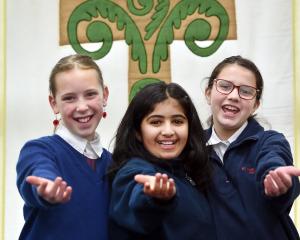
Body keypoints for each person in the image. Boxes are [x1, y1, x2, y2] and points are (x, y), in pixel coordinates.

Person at [204, 55, 300, 240]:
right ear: (208, 93)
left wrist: (278, 180)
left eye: (246, 91)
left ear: (255, 105)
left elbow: (273, 161)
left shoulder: (270, 141)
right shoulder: (190, 148)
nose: (233, 96)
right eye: (224, 86)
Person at [16, 54, 111, 240]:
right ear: (54, 104)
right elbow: (39, 170)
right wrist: (46, 186)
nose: (82, 107)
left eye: (90, 94)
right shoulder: (39, 149)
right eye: (69, 98)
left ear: (105, 95)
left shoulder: (114, 163)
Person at [108, 82, 217, 240]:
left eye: (177, 121)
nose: (168, 131)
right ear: (138, 132)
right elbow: (139, 201)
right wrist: (156, 199)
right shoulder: (133, 172)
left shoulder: (186, 172)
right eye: (156, 122)